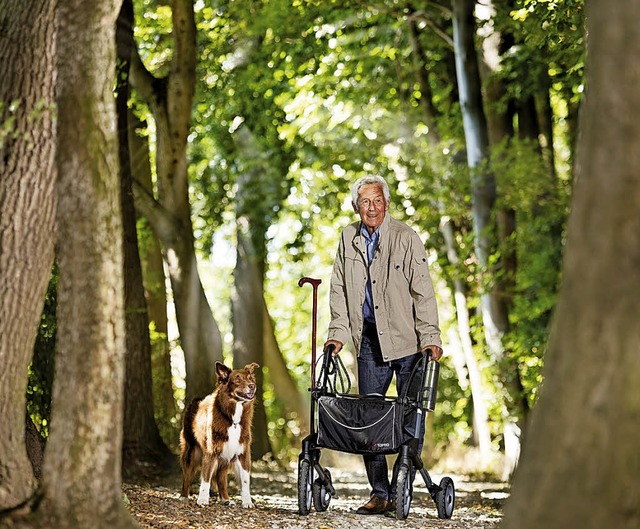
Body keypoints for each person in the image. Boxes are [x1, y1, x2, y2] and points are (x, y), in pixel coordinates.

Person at [324, 174, 443, 516]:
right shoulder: (348, 239)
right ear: (355, 206)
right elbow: (339, 293)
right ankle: (380, 492)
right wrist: (337, 333)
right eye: (365, 202)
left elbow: (423, 291)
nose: (372, 207)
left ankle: (401, 481)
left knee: (411, 418)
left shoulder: (406, 238)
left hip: (408, 345)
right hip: (368, 344)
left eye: (377, 201)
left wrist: (430, 337)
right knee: (368, 422)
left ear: (386, 204)